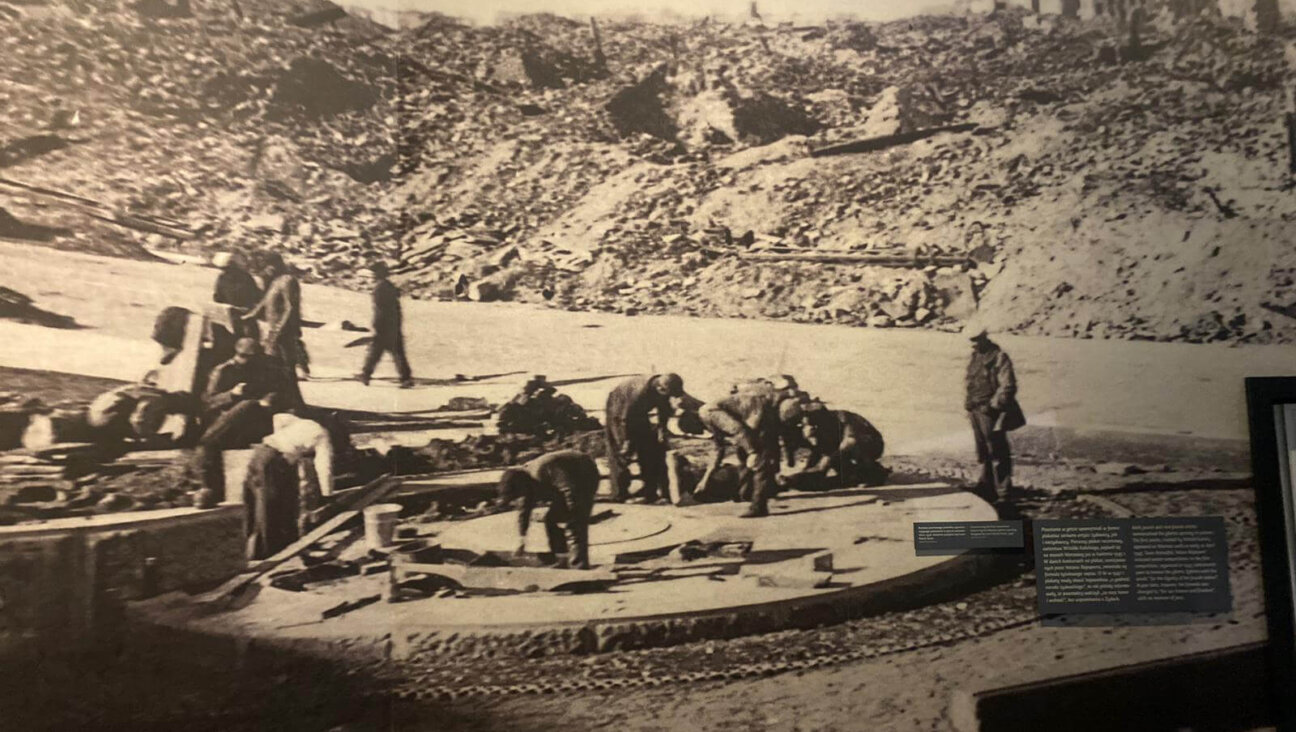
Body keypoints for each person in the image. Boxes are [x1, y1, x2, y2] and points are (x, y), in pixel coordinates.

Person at [191, 337, 286, 500]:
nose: (247, 361)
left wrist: (268, 400)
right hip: (226, 421)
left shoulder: (261, 370)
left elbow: (275, 389)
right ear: (237, 354)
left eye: (252, 358)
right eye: (244, 357)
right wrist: (231, 395)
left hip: (253, 422)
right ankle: (209, 489)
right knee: (208, 443)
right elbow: (207, 403)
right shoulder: (222, 371)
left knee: (250, 407)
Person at [243, 411, 336, 560]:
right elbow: (324, 466)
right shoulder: (323, 435)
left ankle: (257, 551)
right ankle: (272, 555)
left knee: (259, 506)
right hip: (275, 462)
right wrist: (327, 494)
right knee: (273, 508)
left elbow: (278, 417)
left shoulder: (302, 422)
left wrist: (283, 441)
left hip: (259, 454)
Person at [498, 450, 599, 569]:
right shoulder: (525, 482)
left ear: (524, 484)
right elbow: (524, 509)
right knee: (551, 519)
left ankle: (579, 566)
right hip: (561, 485)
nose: (520, 498)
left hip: (584, 474)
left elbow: (570, 489)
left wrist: (573, 512)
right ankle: (562, 557)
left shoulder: (543, 469)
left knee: (574, 524)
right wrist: (521, 538)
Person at [604, 373, 697, 503]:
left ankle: (650, 491)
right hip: (618, 411)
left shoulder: (663, 388)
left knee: (649, 448)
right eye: (669, 394)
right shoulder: (638, 393)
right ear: (660, 389)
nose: (670, 397)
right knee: (620, 453)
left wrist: (662, 430)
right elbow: (624, 419)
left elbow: (664, 410)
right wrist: (625, 441)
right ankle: (620, 494)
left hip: (639, 414)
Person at [696, 388, 785, 518]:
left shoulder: (708, 413)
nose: (693, 433)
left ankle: (758, 507)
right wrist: (705, 480)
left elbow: (738, 430)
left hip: (759, 414)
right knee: (743, 455)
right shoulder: (710, 422)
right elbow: (718, 450)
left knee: (759, 461)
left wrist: (752, 452)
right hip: (752, 419)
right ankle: (749, 492)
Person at [964, 326, 1025, 503]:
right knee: (983, 449)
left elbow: (1008, 386)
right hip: (975, 408)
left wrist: (994, 406)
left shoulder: (999, 357)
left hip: (990, 411)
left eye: (976, 340)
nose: (973, 345)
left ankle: (1004, 491)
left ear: (984, 338)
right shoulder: (976, 356)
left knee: (997, 449)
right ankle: (986, 486)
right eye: (971, 341)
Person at [242, 253, 303, 407]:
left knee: (285, 368)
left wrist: (279, 330)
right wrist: (251, 315)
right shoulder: (276, 280)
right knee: (275, 366)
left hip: (283, 332)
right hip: (273, 330)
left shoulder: (288, 281)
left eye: (268, 267)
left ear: (275, 265)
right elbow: (265, 302)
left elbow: (291, 308)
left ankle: (295, 403)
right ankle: (288, 401)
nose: (266, 271)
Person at [783, 401, 888, 490]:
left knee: (852, 449)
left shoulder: (843, 417)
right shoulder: (819, 426)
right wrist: (801, 476)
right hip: (843, 450)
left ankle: (871, 473)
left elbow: (850, 441)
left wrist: (828, 459)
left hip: (869, 445)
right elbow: (819, 458)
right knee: (819, 478)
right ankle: (856, 475)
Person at [86, 370, 188, 443]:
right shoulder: (158, 399)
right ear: (176, 404)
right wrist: (150, 437)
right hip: (103, 417)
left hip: (95, 411)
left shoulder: (149, 391)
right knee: (143, 422)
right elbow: (138, 420)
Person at [357, 261, 414, 389]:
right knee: (397, 353)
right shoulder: (388, 286)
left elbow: (380, 310)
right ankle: (406, 378)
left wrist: (377, 326)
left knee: (375, 352)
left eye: (372, 274)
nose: (371, 277)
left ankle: (366, 375)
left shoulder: (380, 288)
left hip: (384, 327)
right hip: (393, 326)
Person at [211, 251, 262, 341]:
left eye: (226, 268)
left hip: (243, 314)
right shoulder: (223, 278)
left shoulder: (245, 278)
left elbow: (255, 296)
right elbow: (218, 296)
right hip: (232, 314)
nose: (224, 270)